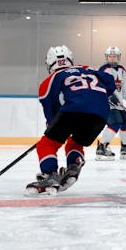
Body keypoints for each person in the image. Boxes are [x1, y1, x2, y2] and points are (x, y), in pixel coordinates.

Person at [27, 45, 116, 195]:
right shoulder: (87, 68)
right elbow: (109, 81)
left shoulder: (51, 79)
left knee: (46, 144)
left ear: (49, 63)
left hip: (73, 110)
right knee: (75, 142)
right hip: (101, 113)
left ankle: (50, 175)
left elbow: (49, 107)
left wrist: (51, 126)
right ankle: (73, 167)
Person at [95, 46, 126, 160]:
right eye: (110, 57)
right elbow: (99, 86)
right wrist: (108, 96)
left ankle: (125, 149)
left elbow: (125, 88)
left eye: (115, 57)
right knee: (115, 124)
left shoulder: (122, 70)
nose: (112, 59)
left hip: (118, 104)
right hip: (106, 104)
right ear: (106, 58)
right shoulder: (103, 70)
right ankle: (101, 148)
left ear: (119, 58)